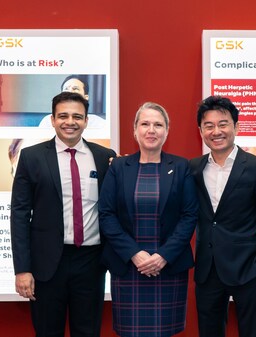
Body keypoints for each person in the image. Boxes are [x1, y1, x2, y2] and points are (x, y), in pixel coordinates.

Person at [10, 91, 116, 337]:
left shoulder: (104, 158)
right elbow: (19, 214)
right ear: (53, 119)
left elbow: (112, 210)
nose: (71, 122)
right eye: (64, 116)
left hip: (91, 262)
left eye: (77, 116)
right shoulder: (31, 157)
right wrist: (22, 269)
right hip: (47, 266)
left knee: (88, 332)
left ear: (87, 121)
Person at [99, 102, 198, 337]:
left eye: (158, 124)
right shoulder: (119, 167)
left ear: (167, 131)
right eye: (145, 124)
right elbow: (106, 214)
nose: (151, 130)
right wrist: (135, 253)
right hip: (128, 267)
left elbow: (189, 215)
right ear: (135, 130)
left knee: (165, 331)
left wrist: (163, 256)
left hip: (168, 267)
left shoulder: (181, 167)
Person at [190, 96, 256, 337]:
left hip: (248, 269)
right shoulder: (193, 169)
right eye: (208, 126)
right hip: (208, 270)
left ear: (236, 127)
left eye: (223, 124)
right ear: (201, 130)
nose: (216, 131)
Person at [38, 75, 105, 128]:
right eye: (66, 89)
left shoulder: (98, 123)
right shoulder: (47, 122)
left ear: (86, 97)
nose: (70, 92)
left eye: (75, 88)